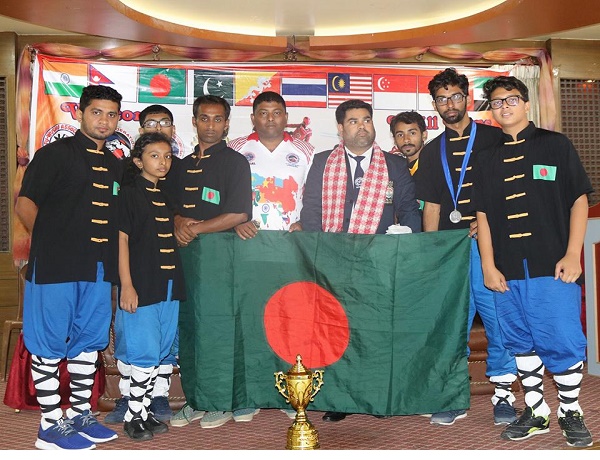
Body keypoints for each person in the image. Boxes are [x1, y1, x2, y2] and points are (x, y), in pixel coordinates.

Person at [474, 75, 593, 447]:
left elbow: (578, 201)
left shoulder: (555, 144)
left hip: (552, 264)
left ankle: (570, 410)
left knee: (562, 339)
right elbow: (483, 216)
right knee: (520, 341)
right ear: (491, 111)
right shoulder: (485, 157)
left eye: (511, 99)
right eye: (497, 102)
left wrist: (573, 253)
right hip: (506, 270)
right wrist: (488, 266)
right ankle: (537, 411)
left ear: (526, 104)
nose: (504, 107)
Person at [14, 85, 123, 450]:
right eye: (97, 112)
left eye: (111, 114)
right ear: (79, 113)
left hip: (98, 270)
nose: (104, 121)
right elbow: (25, 204)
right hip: (55, 267)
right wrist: (50, 243)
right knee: (48, 344)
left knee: (88, 344)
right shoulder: (53, 155)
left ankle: (79, 415)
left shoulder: (116, 165)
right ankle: (49, 425)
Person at [301, 99, 422, 422]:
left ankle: (377, 396)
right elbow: (311, 209)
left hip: (378, 263)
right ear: (341, 128)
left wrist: (408, 236)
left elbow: (409, 209)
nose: (362, 126)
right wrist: (318, 251)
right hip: (333, 261)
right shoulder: (323, 162)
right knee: (336, 331)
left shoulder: (393, 165)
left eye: (366, 119)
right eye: (353, 121)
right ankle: (340, 398)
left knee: (376, 331)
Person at [415, 68, 518, 426]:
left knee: (497, 318)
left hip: (487, 244)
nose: (449, 104)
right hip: (449, 249)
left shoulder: (494, 138)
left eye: (456, 96)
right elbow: (431, 207)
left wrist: (487, 220)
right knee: (453, 323)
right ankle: (453, 395)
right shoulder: (432, 151)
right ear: (435, 105)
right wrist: (432, 253)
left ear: (467, 99)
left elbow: (511, 189)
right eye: (442, 99)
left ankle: (504, 395)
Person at [161, 95, 252, 429]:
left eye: (217, 119)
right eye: (204, 118)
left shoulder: (235, 162)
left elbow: (238, 213)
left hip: (220, 259)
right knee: (189, 327)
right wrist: (177, 223)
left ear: (227, 124)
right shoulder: (180, 165)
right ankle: (196, 399)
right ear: (194, 122)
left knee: (217, 327)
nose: (210, 125)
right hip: (183, 258)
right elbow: (167, 206)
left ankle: (221, 400)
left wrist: (195, 228)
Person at [105, 104, 179, 425]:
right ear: (138, 161)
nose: (162, 162)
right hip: (141, 285)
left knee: (161, 347)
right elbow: (121, 240)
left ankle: (146, 410)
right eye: (154, 156)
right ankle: (135, 416)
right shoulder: (130, 193)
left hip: (170, 285)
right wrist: (127, 285)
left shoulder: (165, 194)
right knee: (142, 349)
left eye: (167, 157)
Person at [228, 91, 314, 238]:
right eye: (263, 113)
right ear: (253, 118)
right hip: (246, 239)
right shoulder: (234, 148)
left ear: (286, 117)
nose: (270, 118)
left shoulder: (306, 151)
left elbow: (314, 198)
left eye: (276, 113)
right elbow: (224, 193)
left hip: (291, 239)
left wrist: (303, 223)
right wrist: (235, 222)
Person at [390, 110, 428, 213]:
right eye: (400, 135)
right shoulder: (394, 170)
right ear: (394, 139)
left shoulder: (435, 167)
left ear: (424, 135)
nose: (406, 140)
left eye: (412, 133)